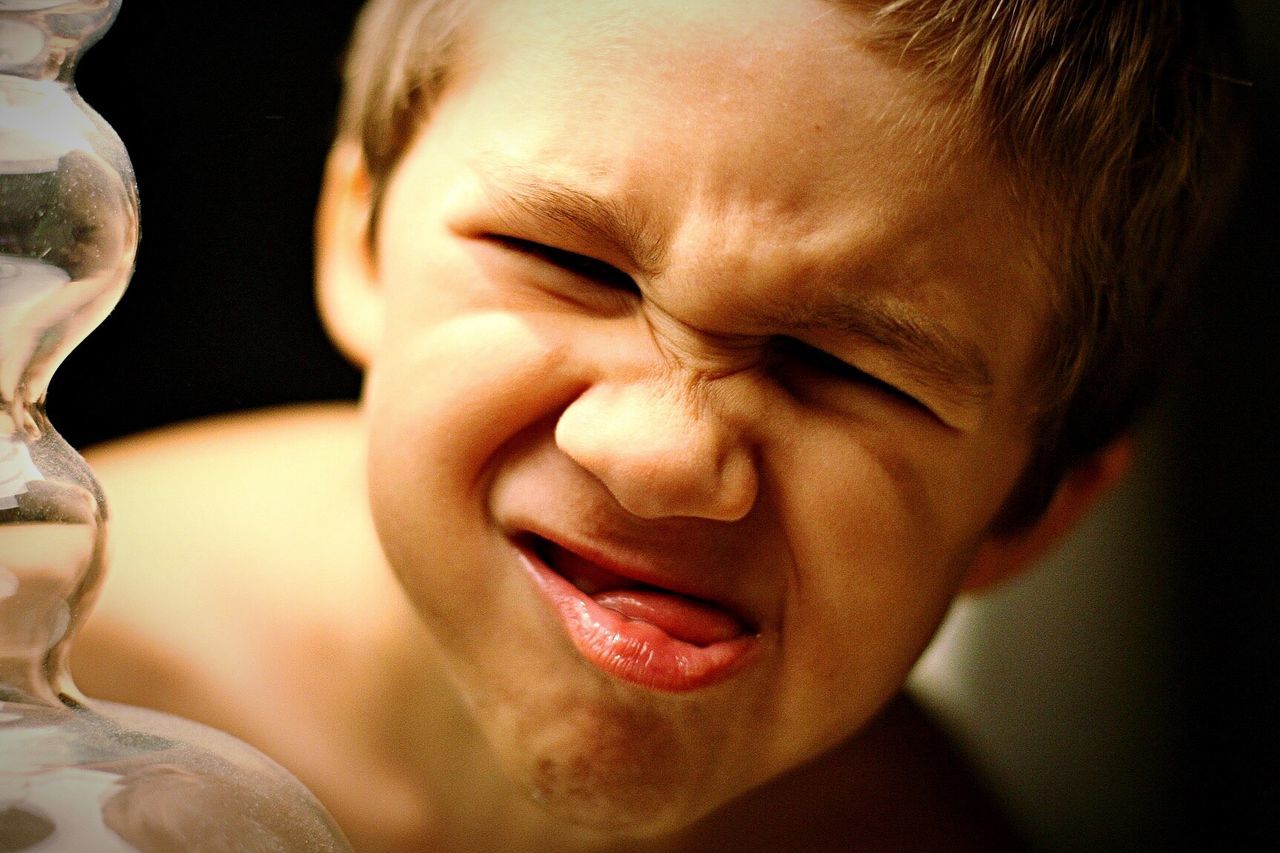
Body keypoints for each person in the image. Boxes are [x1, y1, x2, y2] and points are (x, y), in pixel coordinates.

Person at [70, 0, 1244, 849]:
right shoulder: (44, 671)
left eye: (842, 367)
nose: (659, 457)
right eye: (565, 261)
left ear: (1031, 506)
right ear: (357, 239)